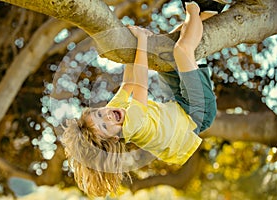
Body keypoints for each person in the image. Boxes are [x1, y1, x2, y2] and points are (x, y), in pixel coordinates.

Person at [61, 1, 217, 197]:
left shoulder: (114, 112)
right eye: (105, 126)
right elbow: (141, 82)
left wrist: (130, 49)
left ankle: (208, 14)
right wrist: (141, 40)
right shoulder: (132, 125)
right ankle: (194, 6)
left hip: (179, 106)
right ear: (115, 138)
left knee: (162, 51)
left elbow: (128, 83)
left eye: (99, 114)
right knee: (182, 50)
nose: (107, 116)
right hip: (197, 113)